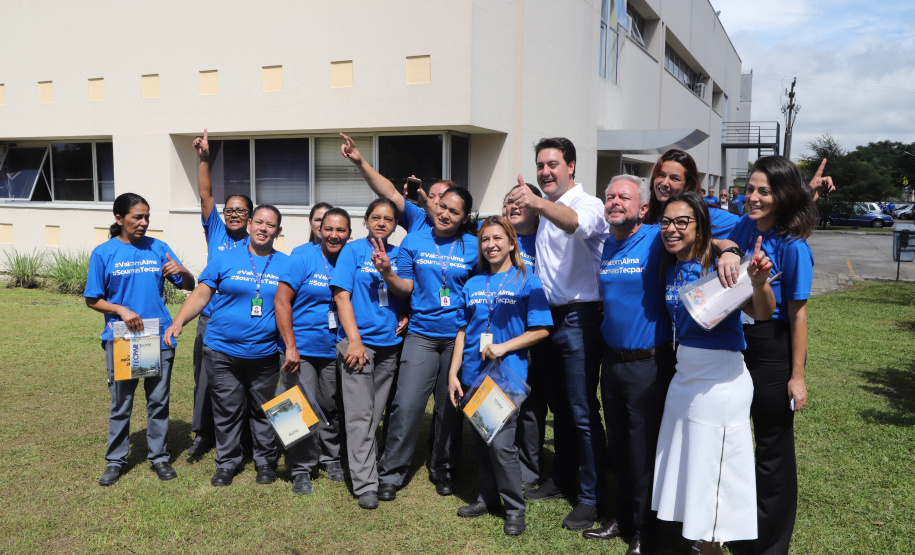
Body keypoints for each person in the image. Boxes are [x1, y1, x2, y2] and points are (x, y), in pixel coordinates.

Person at [652, 191, 775, 555]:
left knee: (714, 473)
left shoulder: (720, 266)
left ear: (700, 225)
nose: (672, 229)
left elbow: (763, 312)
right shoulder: (671, 265)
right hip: (684, 377)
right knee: (691, 463)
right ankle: (698, 540)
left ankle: (712, 547)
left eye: (682, 222)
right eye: (666, 222)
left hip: (719, 381)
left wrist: (757, 282)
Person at [506, 137, 609, 531]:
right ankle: (562, 478)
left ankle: (592, 497)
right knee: (562, 409)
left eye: (553, 164)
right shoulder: (545, 211)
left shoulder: (587, 204)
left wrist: (536, 202)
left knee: (582, 411)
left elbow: (577, 224)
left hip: (579, 320)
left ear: (571, 167)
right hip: (548, 321)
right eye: (540, 166)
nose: (545, 172)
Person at [727, 156, 818, 555]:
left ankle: (771, 543)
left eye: (764, 191)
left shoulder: (794, 248)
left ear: (782, 195)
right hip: (737, 342)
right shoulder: (745, 226)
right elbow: (721, 239)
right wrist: (729, 249)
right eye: (750, 189)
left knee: (772, 448)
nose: (754, 197)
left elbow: (798, 316)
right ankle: (743, 527)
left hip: (771, 346)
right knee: (736, 440)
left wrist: (796, 376)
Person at [164, 205, 290, 487]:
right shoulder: (225, 257)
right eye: (259, 222)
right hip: (222, 350)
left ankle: (265, 462)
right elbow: (201, 293)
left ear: (278, 231)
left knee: (265, 409)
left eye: (270, 225)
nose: (263, 228)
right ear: (249, 224)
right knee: (227, 409)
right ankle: (227, 462)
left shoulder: (286, 264)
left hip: (265, 353)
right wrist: (179, 321)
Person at [446, 216, 552, 536]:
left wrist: (504, 346)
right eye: (485, 240)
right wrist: (452, 373)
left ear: (511, 243)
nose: (490, 245)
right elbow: (462, 331)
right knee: (480, 442)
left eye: (497, 238)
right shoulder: (473, 284)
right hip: (472, 374)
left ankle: (514, 508)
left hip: (506, 375)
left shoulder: (527, 280)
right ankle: (488, 498)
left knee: (501, 445)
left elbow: (542, 329)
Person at [374, 187, 479, 498]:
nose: (445, 214)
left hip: (458, 338)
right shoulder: (415, 240)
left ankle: (443, 467)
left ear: (465, 218)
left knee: (450, 407)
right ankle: (391, 471)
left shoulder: (474, 247)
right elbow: (406, 288)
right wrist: (388, 272)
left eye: (454, 212)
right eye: (442, 206)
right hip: (421, 334)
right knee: (406, 404)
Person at [85, 193, 195, 486]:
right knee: (122, 403)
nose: (144, 222)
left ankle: (159, 457)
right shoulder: (104, 253)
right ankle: (115, 460)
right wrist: (119, 309)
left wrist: (183, 272)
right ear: (119, 219)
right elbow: (92, 299)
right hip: (124, 339)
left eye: (147, 217)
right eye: (137, 217)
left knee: (158, 402)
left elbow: (188, 285)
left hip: (157, 337)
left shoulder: (158, 248)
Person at [329, 199, 406, 509]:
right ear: (366, 220)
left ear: (395, 224)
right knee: (360, 415)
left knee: (374, 415)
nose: (382, 223)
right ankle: (366, 485)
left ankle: (363, 463)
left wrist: (406, 312)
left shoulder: (400, 253)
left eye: (388, 219)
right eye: (376, 217)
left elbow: (407, 291)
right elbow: (341, 297)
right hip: (358, 345)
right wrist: (355, 341)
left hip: (390, 345)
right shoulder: (352, 251)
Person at [274, 207, 352, 494]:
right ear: (319, 230)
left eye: (340, 230)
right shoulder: (302, 258)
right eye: (328, 228)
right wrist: (290, 346)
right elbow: (281, 301)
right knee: (298, 406)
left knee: (330, 403)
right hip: (301, 348)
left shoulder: (351, 259)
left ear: (349, 233)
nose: (334, 235)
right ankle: (301, 467)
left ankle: (330, 457)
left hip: (334, 348)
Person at [190, 129, 253, 458]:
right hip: (210, 319)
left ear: (251, 217)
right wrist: (204, 159)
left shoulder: (257, 242)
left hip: (244, 322)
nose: (233, 214)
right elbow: (206, 195)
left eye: (240, 211)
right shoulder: (216, 231)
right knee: (203, 378)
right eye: (229, 210)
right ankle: (203, 434)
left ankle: (243, 436)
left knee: (241, 380)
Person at [501, 182, 543, 488]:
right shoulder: (493, 240)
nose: (513, 207)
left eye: (521, 202)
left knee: (530, 404)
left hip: (534, 334)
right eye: (509, 202)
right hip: (499, 334)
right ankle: (500, 459)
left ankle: (528, 470)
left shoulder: (545, 240)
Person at [340, 132, 452, 234]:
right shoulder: (418, 216)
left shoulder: (459, 228)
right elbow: (390, 193)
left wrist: (426, 202)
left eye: (441, 197)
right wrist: (360, 162)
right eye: (431, 196)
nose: (435, 201)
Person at [645, 150, 738, 240]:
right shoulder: (644, 214)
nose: (665, 183)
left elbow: (742, 224)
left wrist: (720, 245)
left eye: (674, 178)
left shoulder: (707, 215)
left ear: (688, 184)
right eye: (661, 175)